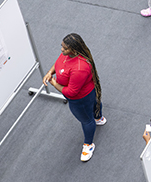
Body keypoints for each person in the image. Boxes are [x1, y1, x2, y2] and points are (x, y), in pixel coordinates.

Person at [42, 33, 104, 161]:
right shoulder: (68, 55)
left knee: (87, 120)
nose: (61, 50)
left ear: (74, 50)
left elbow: (71, 92)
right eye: (62, 46)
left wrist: (54, 83)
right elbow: (58, 63)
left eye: (65, 48)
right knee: (95, 104)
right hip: (88, 93)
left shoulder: (80, 68)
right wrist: (50, 72)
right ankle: (99, 118)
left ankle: (88, 145)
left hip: (80, 100)